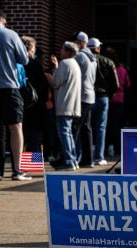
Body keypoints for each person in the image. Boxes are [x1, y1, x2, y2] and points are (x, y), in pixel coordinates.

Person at [0, 10, 31, 181]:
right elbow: (24, 60)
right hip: (9, 86)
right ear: (3, 21)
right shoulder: (11, 34)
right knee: (16, 126)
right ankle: (17, 170)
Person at [88, 38, 119, 166]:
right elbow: (115, 83)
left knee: (87, 127)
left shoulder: (85, 60)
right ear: (98, 48)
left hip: (89, 97)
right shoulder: (108, 62)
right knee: (101, 128)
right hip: (103, 97)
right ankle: (99, 157)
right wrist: (109, 94)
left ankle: (85, 155)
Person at [50, 42, 81, 171]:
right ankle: (72, 160)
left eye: (62, 49)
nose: (60, 51)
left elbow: (55, 82)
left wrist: (55, 68)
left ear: (68, 52)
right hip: (72, 104)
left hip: (64, 104)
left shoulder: (65, 63)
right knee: (68, 134)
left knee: (64, 134)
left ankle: (69, 161)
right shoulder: (75, 64)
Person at [69, 31, 96, 168]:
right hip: (90, 95)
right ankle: (87, 159)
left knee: (74, 128)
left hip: (81, 96)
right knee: (86, 128)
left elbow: (72, 74)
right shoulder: (93, 58)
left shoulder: (79, 56)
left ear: (80, 42)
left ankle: (68, 158)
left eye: (73, 41)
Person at [20, 36, 48, 152]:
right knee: (34, 136)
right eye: (33, 47)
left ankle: (19, 164)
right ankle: (33, 164)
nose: (35, 50)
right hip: (35, 106)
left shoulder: (17, 63)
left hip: (20, 105)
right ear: (29, 49)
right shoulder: (36, 65)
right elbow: (43, 87)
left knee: (21, 136)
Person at [104, 48, 130, 156]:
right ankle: (116, 147)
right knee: (118, 125)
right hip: (119, 100)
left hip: (108, 99)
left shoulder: (104, 69)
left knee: (106, 124)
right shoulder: (122, 70)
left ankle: (106, 146)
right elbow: (128, 85)